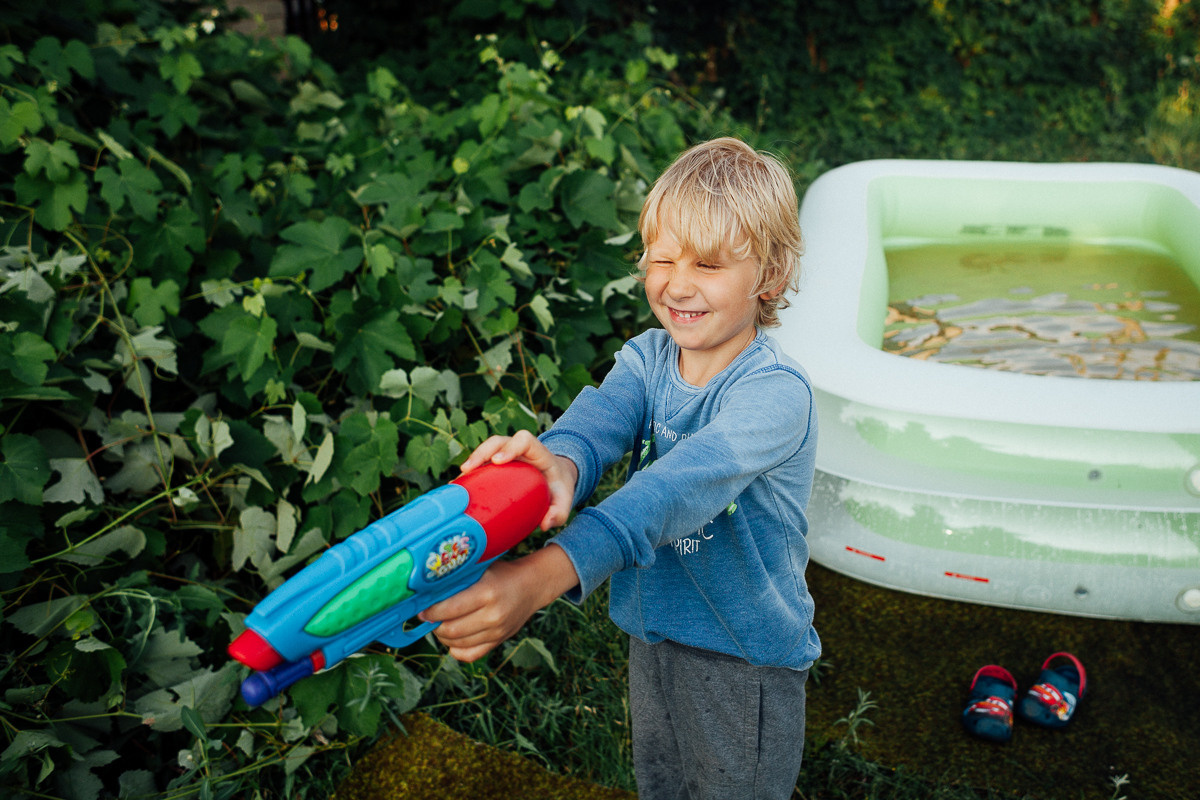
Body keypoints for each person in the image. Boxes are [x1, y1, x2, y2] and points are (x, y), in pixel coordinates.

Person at [420, 136, 819, 800]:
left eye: (709, 264)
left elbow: (673, 489)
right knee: (661, 785)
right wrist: (556, 467)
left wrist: (544, 575)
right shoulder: (647, 359)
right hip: (654, 635)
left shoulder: (775, 396)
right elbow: (593, 426)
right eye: (662, 258)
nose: (678, 283)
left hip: (743, 658)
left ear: (770, 275)